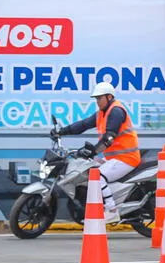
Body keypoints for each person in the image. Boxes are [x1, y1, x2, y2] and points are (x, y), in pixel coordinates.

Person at [51, 81, 141, 224]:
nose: (97, 101)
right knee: (87, 169)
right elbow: (83, 125)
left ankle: (111, 211)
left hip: (126, 158)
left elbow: (109, 138)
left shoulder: (116, 111)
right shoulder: (101, 113)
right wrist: (61, 131)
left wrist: (93, 151)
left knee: (97, 176)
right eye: (96, 99)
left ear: (109, 97)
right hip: (113, 158)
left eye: (100, 98)